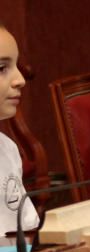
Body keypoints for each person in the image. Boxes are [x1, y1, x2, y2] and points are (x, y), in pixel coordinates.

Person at [0, 24, 39, 237]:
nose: (21, 80)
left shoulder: (7, 149)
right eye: (1, 68)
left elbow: (26, 232)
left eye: (16, 65)